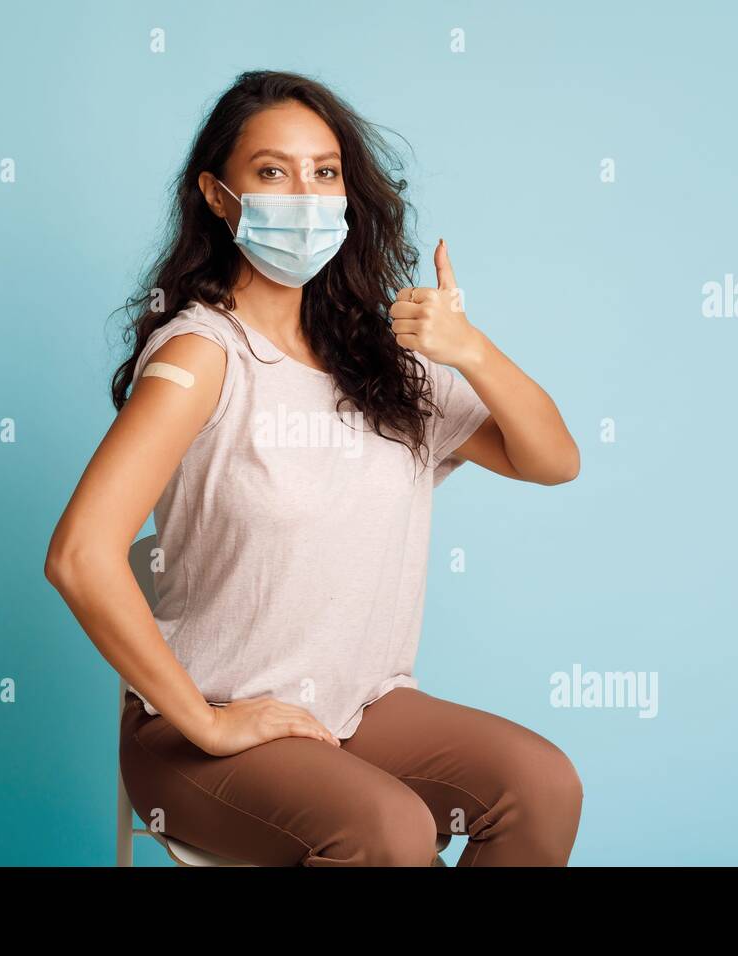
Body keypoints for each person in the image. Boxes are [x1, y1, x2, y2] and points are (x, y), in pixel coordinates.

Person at [45, 70, 583, 866]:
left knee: (541, 786)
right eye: (272, 172)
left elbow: (552, 460)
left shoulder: (380, 361)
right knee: (390, 831)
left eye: (323, 172)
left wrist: (471, 349)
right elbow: (80, 557)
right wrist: (207, 719)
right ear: (218, 198)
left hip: (358, 709)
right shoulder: (203, 354)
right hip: (205, 731)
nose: (304, 195)